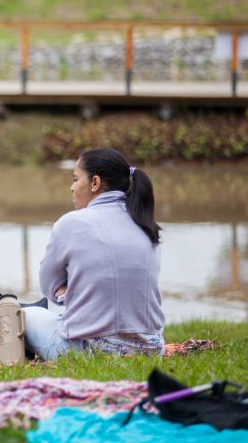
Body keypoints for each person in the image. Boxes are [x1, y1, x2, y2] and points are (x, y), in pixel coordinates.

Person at [24, 148, 165, 361]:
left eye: (75, 179)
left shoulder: (71, 223)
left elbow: (48, 285)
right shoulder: (146, 225)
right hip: (151, 349)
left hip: (91, 352)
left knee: (25, 314)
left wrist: (68, 291)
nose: (72, 188)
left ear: (95, 183)